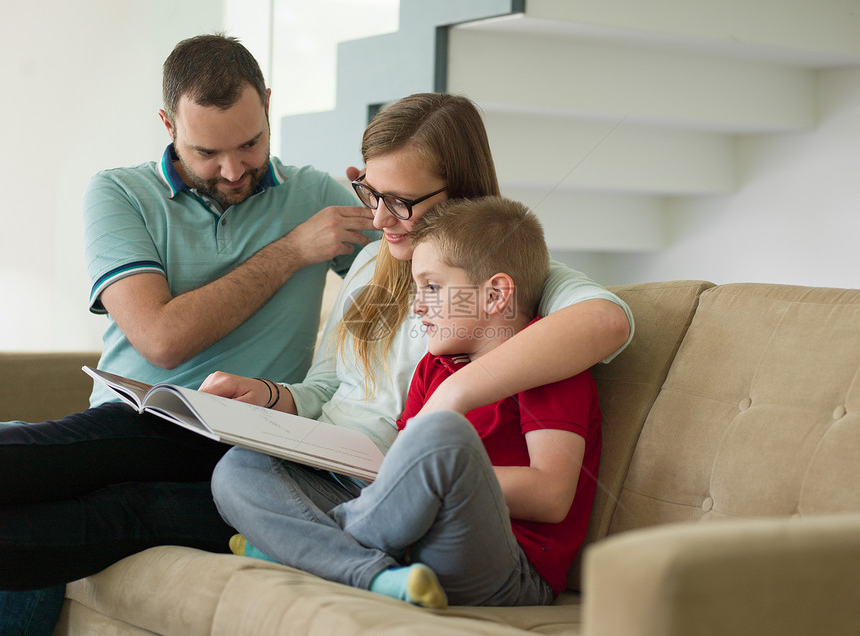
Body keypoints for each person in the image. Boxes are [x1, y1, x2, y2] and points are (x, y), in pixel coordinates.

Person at [0, 33, 375, 635]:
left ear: (270, 106)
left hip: (245, 442)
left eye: (251, 143)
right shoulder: (119, 192)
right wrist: (292, 251)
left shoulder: (317, 196)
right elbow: (161, 339)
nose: (234, 170)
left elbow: (422, 264)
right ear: (167, 123)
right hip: (133, 424)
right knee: (45, 451)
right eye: (208, 152)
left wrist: (393, 200)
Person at [204, 91, 632, 601]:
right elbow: (330, 387)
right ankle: (371, 572)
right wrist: (272, 399)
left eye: (400, 202)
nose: (381, 220)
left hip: (474, 538)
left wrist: (450, 405)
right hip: (380, 495)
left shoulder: (524, 298)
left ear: (458, 195)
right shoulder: (381, 285)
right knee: (236, 469)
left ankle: (313, 547)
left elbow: (604, 321)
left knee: (441, 440)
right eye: (370, 193)